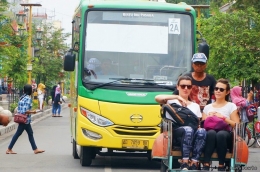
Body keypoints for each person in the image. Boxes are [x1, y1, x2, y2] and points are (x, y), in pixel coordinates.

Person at [155, 76, 206, 170]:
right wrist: (177, 97)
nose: (186, 88)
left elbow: (198, 123)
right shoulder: (170, 101)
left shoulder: (195, 106)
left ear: (191, 88)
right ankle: (185, 163)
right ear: (177, 87)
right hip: (175, 135)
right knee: (188, 129)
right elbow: (157, 97)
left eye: (188, 86)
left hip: (192, 135)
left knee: (202, 131)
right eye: (183, 86)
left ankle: (194, 163)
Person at [202, 79, 239, 171]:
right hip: (210, 135)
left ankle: (221, 164)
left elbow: (236, 124)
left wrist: (223, 117)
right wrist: (208, 118)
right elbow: (203, 124)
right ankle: (206, 163)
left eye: (221, 89)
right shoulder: (208, 107)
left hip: (225, 134)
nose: (218, 91)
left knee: (221, 134)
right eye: (216, 88)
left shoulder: (231, 106)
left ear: (227, 92)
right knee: (211, 133)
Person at [6, 84, 45, 154]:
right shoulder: (28, 98)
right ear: (30, 90)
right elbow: (25, 111)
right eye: (32, 89)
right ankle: (9, 149)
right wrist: (33, 111)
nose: (33, 90)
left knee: (30, 133)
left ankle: (35, 149)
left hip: (24, 119)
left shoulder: (22, 97)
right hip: (24, 120)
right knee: (18, 134)